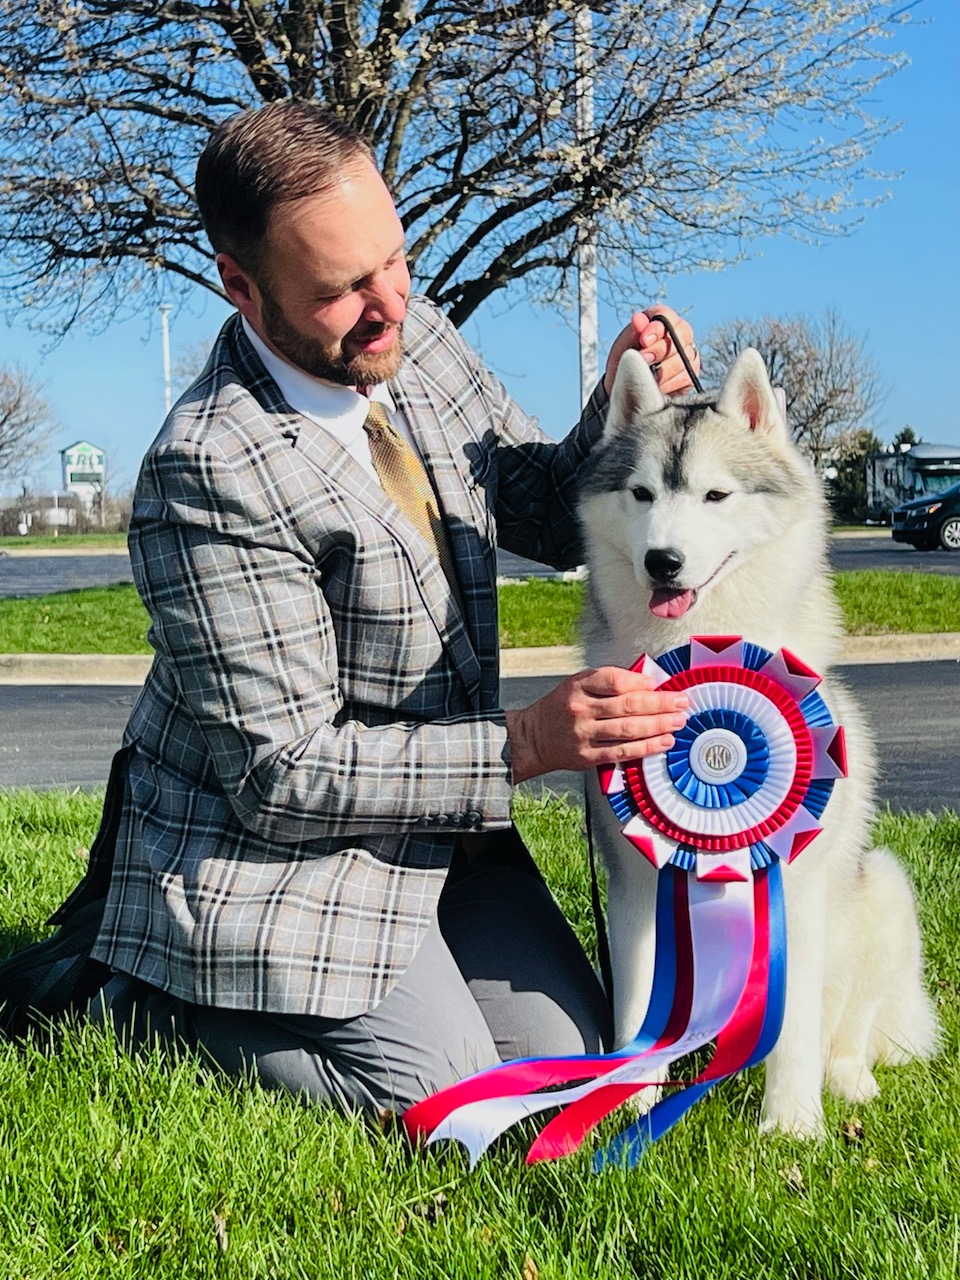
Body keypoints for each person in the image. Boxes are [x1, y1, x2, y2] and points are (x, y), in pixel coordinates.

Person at [88, 100, 700, 1115]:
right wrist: (527, 743)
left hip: (439, 830)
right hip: (269, 857)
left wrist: (619, 404)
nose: (390, 305)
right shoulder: (207, 468)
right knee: (460, 1101)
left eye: (395, 259)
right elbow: (283, 776)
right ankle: (156, 998)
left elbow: (546, 510)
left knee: (573, 1064)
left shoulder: (418, 337)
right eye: (341, 289)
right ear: (242, 286)